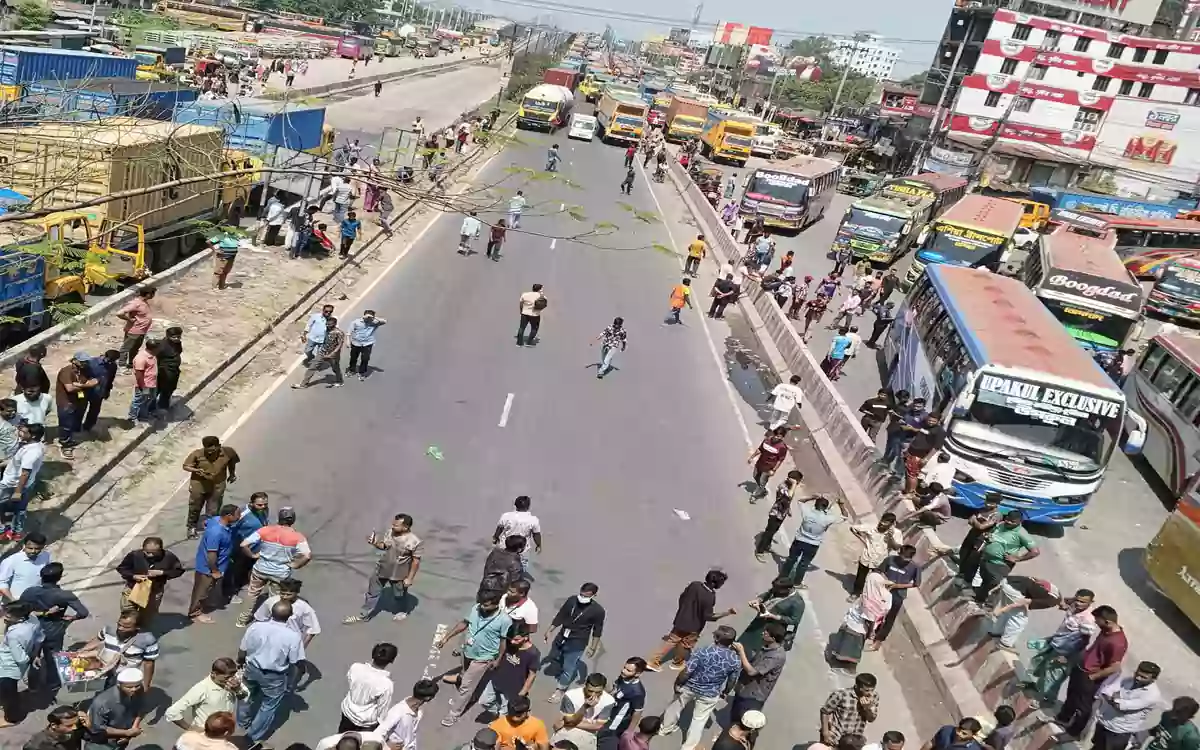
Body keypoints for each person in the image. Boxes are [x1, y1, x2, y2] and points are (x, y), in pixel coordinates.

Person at [658, 626, 742, 750]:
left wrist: (678, 683)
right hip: (710, 693)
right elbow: (732, 680)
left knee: (675, 707)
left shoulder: (703, 651)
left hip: (689, 687)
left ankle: (665, 728)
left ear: (716, 638)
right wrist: (726, 691)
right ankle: (688, 747)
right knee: (699, 721)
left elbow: (687, 671)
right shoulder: (735, 659)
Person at [437, 594, 514, 727]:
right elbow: (463, 624)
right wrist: (446, 638)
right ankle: (468, 696)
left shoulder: (504, 620)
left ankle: (454, 714)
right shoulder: (476, 608)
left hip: (484, 657)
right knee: (464, 676)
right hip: (468, 651)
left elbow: (503, 642)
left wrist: (498, 660)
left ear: (496, 604)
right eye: (482, 604)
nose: (482, 607)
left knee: (466, 686)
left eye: (486, 605)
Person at [1053, 606, 1128, 739]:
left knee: (1084, 706)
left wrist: (1093, 676)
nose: (1095, 623)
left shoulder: (1117, 643)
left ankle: (1074, 732)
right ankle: (1063, 718)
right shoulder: (1106, 630)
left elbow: (1115, 667)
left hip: (1090, 675)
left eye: (1097, 620)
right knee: (1072, 695)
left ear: (1107, 622)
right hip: (1081, 668)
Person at [238, 600, 305, 747]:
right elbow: (296, 662)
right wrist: (292, 681)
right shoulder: (292, 636)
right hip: (275, 676)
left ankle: (241, 722)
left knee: (245, 695)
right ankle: (253, 735)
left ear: (271, 612)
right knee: (268, 706)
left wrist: (240, 662)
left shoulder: (255, 627)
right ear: (290, 616)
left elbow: (243, 648)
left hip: (252, 668)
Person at [645, 570, 736, 672]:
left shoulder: (694, 584)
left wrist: (683, 610)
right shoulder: (710, 596)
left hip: (680, 619)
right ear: (716, 583)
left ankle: (653, 661)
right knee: (685, 645)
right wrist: (727, 613)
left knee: (671, 641)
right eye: (722, 582)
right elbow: (710, 617)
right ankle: (677, 663)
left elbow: (682, 597)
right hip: (694, 627)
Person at [236, 507, 312, 627]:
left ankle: (242, 620)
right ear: (293, 520)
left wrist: (253, 555)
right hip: (280, 572)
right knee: (275, 597)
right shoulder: (298, 537)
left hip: (260, 568)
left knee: (252, 594)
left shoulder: (265, 530)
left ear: (279, 518)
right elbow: (307, 556)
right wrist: (296, 565)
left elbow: (244, 544)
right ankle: (270, 620)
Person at [1019, 588, 1096, 707]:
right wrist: (1071, 601)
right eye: (1077, 600)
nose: (1078, 603)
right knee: (1039, 661)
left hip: (1066, 650)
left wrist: (1067, 656)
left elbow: (1083, 642)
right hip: (1056, 641)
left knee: (1053, 675)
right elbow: (1065, 601)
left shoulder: (1088, 620)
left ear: (1090, 603)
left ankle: (1048, 700)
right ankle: (1034, 685)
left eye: (1082, 602)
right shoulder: (1075, 606)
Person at [19, 562, 88, 689]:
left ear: (41, 577)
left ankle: (33, 685)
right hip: (54, 630)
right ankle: (53, 683)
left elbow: (20, 610)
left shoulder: (29, 592)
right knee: (53, 657)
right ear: (59, 577)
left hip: (32, 629)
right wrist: (71, 618)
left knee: (33, 655)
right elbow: (83, 613)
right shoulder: (65, 595)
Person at [346, 513, 422, 624]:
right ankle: (365, 614)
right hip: (382, 569)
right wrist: (375, 543)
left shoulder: (415, 542)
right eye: (393, 524)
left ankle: (401, 611)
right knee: (372, 592)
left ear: (405, 527)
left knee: (399, 595)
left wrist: (409, 578)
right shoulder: (390, 533)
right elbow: (385, 546)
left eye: (396, 525)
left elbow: (416, 561)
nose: (392, 527)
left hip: (399, 575)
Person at [544, 583, 606, 700]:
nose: (582, 598)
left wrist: (593, 647)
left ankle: (560, 690)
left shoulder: (598, 611)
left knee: (569, 667)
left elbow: (597, 631)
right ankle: (559, 668)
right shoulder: (572, 600)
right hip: (562, 636)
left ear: (594, 595)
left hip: (578, 642)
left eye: (586, 596)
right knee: (556, 655)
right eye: (581, 594)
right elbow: (561, 615)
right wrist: (550, 630)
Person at [972, 511, 1040, 607]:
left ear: (1019, 522)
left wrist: (1017, 558)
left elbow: (1035, 551)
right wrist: (988, 538)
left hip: (1000, 565)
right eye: (1007, 519)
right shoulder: (1001, 525)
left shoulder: (1021, 534)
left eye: (1012, 521)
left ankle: (989, 606)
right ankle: (979, 600)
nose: (1008, 522)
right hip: (986, 559)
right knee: (985, 582)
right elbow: (992, 534)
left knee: (995, 586)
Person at [1092, 662, 1163, 750]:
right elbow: (1107, 690)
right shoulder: (1128, 680)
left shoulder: (1152, 695)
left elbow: (1120, 707)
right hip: (1104, 722)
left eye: (1143, 677)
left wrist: (1116, 698)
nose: (1137, 678)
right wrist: (1115, 699)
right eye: (1137, 674)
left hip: (1119, 731)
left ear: (1153, 679)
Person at [188, 504, 239, 624]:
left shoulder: (216, 520)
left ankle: (205, 603)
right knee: (202, 591)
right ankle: (195, 613)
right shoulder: (216, 533)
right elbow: (211, 555)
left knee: (208, 589)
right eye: (237, 515)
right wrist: (214, 570)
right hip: (208, 569)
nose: (239, 517)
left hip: (219, 565)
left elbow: (207, 522)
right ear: (228, 516)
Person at [182, 436, 240, 539]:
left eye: (213, 451)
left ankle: (212, 527)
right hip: (199, 484)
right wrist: (196, 470)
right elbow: (185, 466)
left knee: (214, 507)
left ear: (219, 446)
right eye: (208, 451)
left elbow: (232, 463)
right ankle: (191, 527)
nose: (210, 454)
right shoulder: (197, 454)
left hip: (218, 484)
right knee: (195, 506)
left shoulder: (228, 452)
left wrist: (232, 474)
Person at [783, 495, 846, 587]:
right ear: (825, 508)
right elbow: (845, 516)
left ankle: (783, 576)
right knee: (803, 564)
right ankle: (797, 583)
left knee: (791, 559)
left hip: (799, 540)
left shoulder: (807, 512)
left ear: (815, 505)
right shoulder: (827, 518)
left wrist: (812, 497)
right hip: (812, 545)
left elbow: (800, 501)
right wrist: (841, 505)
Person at [830, 571, 892, 668]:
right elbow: (885, 612)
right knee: (852, 646)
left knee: (848, 646)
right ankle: (843, 662)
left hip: (857, 625)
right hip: (862, 627)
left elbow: (870, 618)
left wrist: (871, 631)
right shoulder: (887, 595)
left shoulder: (870, 597)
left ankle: (846, 666)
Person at [165, 658, 244, 732]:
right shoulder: (201, 689)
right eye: (227, 677)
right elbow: (172, 713)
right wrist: (191, 730)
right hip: (207, 735)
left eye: (233, 676)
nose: (231, 680)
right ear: (214, 674)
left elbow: (246, 698)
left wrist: (237, 690)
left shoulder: (234, 682)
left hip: (225, 731)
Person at [987, 576, 1062, 652]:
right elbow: (1024, 601)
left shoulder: (1057, 593)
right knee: (1020, 619)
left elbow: (1037, 580)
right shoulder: (1051, 601)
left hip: (1008, 581)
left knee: (1010, 613)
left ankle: (996, 632)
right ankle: (1005, 643)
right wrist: (1005, 609)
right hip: (1014, 590)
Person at [478, 631, 540, 721]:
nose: (512, 642)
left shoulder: (533, 653)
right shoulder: (509, 643)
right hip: (497, 680)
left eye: (516, 640)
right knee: (484, 701)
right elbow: (501, 651)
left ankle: (498, 728)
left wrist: (523, 692)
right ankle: (496, 712)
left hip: (513, 689)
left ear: (525, 637)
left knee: (504, 713)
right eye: (512, 639)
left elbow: (532, 675)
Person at [0, 601, 43, 727]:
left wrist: (29, 658)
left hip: (7, 668)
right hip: (11, 666)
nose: (5, 616)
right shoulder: (33, 620)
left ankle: (12, 718)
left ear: (19, 618)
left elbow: (21, 659)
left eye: (8, 615)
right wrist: (35, 654)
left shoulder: (14, 635)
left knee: (10, 696)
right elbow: (40, 638)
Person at [869, 545, 921, 650]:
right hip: (882, 591)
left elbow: (916, 583)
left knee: (889, 619)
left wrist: (898, 586)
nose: (902, 562)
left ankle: (878, 640)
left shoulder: (915, 567)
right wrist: (884, 580)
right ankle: (869, 631)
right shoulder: (890, 559)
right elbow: (879, 571)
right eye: (901, 558)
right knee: (874, 611)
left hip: (898, 595)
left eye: (906, 560)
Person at [739, 576, 804, 658]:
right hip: (760, 620)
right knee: (746, 639)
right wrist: (758, 600)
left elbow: (794, 621)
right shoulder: (778, 589)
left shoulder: (797, 603)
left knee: (755, 649)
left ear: (788, 589)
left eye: (777, 590)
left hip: (772, 629)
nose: (775, 591)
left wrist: (773, 616)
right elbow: (767, 594)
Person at [0, 425, 46, 540]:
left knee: (8, 507)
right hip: (25, 484)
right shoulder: (35, 446)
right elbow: (19, 463)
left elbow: (25, 472)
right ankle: (17, 532)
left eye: (23, 432)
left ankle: (2, 532)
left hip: (12, 484)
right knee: (20, 509)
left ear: (33, 435)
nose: (20, 433)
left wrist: (17, 491)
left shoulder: (31, 452)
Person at [339, 643, 398, 731]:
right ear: (391, 661)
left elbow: (351, 682)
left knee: (341, 737)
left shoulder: (355, 667)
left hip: (347, 712)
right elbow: (382, 709)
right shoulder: (386, 684)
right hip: (366, 723)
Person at [83, 668, 144, 749]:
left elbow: (140, 709)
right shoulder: (103, 703)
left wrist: (134, 728)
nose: (134, 690)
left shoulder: (139, 691)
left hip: (122, 740)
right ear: (119, 685)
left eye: (137, 686)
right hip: (102, 743)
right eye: (129, 687)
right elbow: (98, 729)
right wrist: (127, 733)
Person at [54, 353, 98, 458]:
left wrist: (82, 385)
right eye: (82, 361)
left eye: (86, 361)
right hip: (66, 402)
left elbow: (95, 381)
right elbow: (70, 388)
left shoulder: (86, 369)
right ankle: (64, 445)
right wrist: (87, 386)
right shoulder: (66, 371)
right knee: (66, 425)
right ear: (74, 360)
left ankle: (70, 439)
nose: (85, 363)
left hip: (80, 400)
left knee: (75, 421)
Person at [956, 493, 1003, 588]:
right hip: (972, 535)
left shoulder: (996, 515)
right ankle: (961, 573)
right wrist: (975, 522)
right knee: (963, 553)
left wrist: (975, 521)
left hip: (981, 539)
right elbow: (970, 521)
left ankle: (967, 581)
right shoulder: (981, 510)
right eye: (987, 501)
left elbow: (982, 527)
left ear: (996, 504)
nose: (987, 504)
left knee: (972, 560)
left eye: (990, 503)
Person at [376, 679, 440, 749]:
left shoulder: (420, 710)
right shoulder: (398, 711)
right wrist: (386, 747)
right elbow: (378, 732)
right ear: (428, 698)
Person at [754, 471, 804, 561]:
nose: (798, 483)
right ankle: (760, 551)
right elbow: (788, 496)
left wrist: (788, 509)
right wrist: (794, 485)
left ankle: (766, 546)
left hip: (781, 514)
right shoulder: (783, 486)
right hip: (775, 513)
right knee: (769, 532)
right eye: (797, 481)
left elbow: (786, 501)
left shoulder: (789, 487)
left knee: (773, 532)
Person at [849, 514, 901, 598]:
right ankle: (856, 593)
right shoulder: (871, 527)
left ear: (892, 524)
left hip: (880, 560)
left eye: (886, 523)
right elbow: (853, 528)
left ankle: (870, 597)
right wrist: (863, 540)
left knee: (875, 580)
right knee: (860, 577)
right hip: (867, 557)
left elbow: (896, 547)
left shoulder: (897, 533)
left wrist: (891, 538)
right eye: (882, 521)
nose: (882, 524)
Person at [822, 674, 879, 746]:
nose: (870, 693)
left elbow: (871, 719)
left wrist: (867, 708)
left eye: (872, 690)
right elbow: (825, 711)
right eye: (867, 690)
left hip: (854, 741)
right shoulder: (841, 694)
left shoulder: (874, 697)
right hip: (836, 737)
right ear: (857, 686)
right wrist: (825, 733)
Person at [557, 672, 616, 742]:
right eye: (590, 691)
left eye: (598, 692)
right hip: (568, 731)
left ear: (603, 689)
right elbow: (569, 720)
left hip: (589, 733)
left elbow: (598, 726)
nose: (593, 695)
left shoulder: (609, 701)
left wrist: (567, 723)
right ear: (585, 685)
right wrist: (585, 707)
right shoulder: (570, 696)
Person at [293, 315, 345, 388]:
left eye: (329, 324)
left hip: (333, 355)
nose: (327, 325)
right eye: (327, 324)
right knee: (312, 367)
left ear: (334, 324)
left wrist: (332, 354)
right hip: (322, 352)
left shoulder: (339, 333)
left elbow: (339, 345)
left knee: (335, 368)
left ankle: (340, 381)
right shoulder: (326, 330)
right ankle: (303, 384)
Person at [494, 496, 542, 575]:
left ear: (515, 505)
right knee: (521, 570)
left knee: (502, 567)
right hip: (522, 550)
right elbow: (536, 534)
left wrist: (495, 537)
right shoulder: (533, 520)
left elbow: (499, 529)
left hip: (505, 547)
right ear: (528, 506)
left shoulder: (506, 516)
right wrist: (538, 545)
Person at [902, 413, 947, 496]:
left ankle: (911, 493)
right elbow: (919, 434)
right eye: (929, 420)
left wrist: (926, 459)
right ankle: (906, 490)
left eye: (933, 421)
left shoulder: (940, 432)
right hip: (911, 452)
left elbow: (936, 447)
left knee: (912, 474)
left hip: (920, 455)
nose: (930, 422)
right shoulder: (925, 425)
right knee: (908, 473)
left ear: (938, 421)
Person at [0, 533, 49, 600]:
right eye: (30, 548)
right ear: (24, 546)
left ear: (43, 547)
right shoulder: (11, 561)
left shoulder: (45, 556)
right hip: (15, 602)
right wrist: (13, 600)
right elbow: (2, 583)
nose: (33, 551)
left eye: (37, 549)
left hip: (37, 601)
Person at [81, 350, 119, 434]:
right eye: (108, 360)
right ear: (104, 356)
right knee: (80, 408)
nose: (109, 362)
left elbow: (110, 380)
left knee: (94, 411)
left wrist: (107, 391)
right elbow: (81, 376)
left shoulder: (113, 366)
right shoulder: (91, 363)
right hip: (86, 391)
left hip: (99, 393)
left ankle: (87, 427)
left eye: (112, 361)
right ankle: (75, 426)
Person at [747, 426, 790, 500]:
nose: (776, 437)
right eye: (775, 435)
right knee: (755, 476)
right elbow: (760, 450)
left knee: (762, 481)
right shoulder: (767, 440)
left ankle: (755, 495)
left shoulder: (782, 447)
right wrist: (752, 457)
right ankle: (762, 489)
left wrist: (774, 470)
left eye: (779, 436)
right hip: (760, 463)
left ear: (782, 437)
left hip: (769, 468)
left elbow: (780, 460)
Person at [116, 287, 155, 368]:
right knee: (126, 348)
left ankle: (131, 363)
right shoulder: (135, 303)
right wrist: (129, 319)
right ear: (147, 294)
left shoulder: (144, 302)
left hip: (142, 331)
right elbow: (119, 313)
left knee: (135, 349)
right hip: (134, 331)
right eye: (152, 293)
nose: (153, 296)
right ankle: (122, 364)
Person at [480, 536, 525, 600]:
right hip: (499, 592)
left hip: (485, 586)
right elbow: (514, 581)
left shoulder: (494, 552)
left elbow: (487, 568)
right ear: (519, 549)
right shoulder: (515, 563)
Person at [347, 311, 387, 381]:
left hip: (367, 343)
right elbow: (349, 332)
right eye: (367, 316)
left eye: (370, 317)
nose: (368, 318)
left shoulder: (375, 323)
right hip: (356, 343)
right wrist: (347, 341)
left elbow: (384, 321)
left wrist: (373, 318)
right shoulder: (356, 322)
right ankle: (352, 370)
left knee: (365, 359)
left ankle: (362, 373)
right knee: (353, 358)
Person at [127, 341, 158, 423]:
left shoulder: (152, 355)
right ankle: (132, 417)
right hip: (145, 385)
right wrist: (142, 387)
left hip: (152, 383)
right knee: (139, 401)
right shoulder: (141, 358)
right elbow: (139, 375)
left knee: (148, 399)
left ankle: (143, 415)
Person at [155, 327, 184, 412]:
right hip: (165, 371)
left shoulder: (177, 343)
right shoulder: (162, 346)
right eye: (174, 337)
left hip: (173, 370)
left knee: (170, 388)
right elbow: (157, 359)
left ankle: (163, 404)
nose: (176, 339)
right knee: (160, 388)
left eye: (178, 337)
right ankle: (156, 406)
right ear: (168, 336)